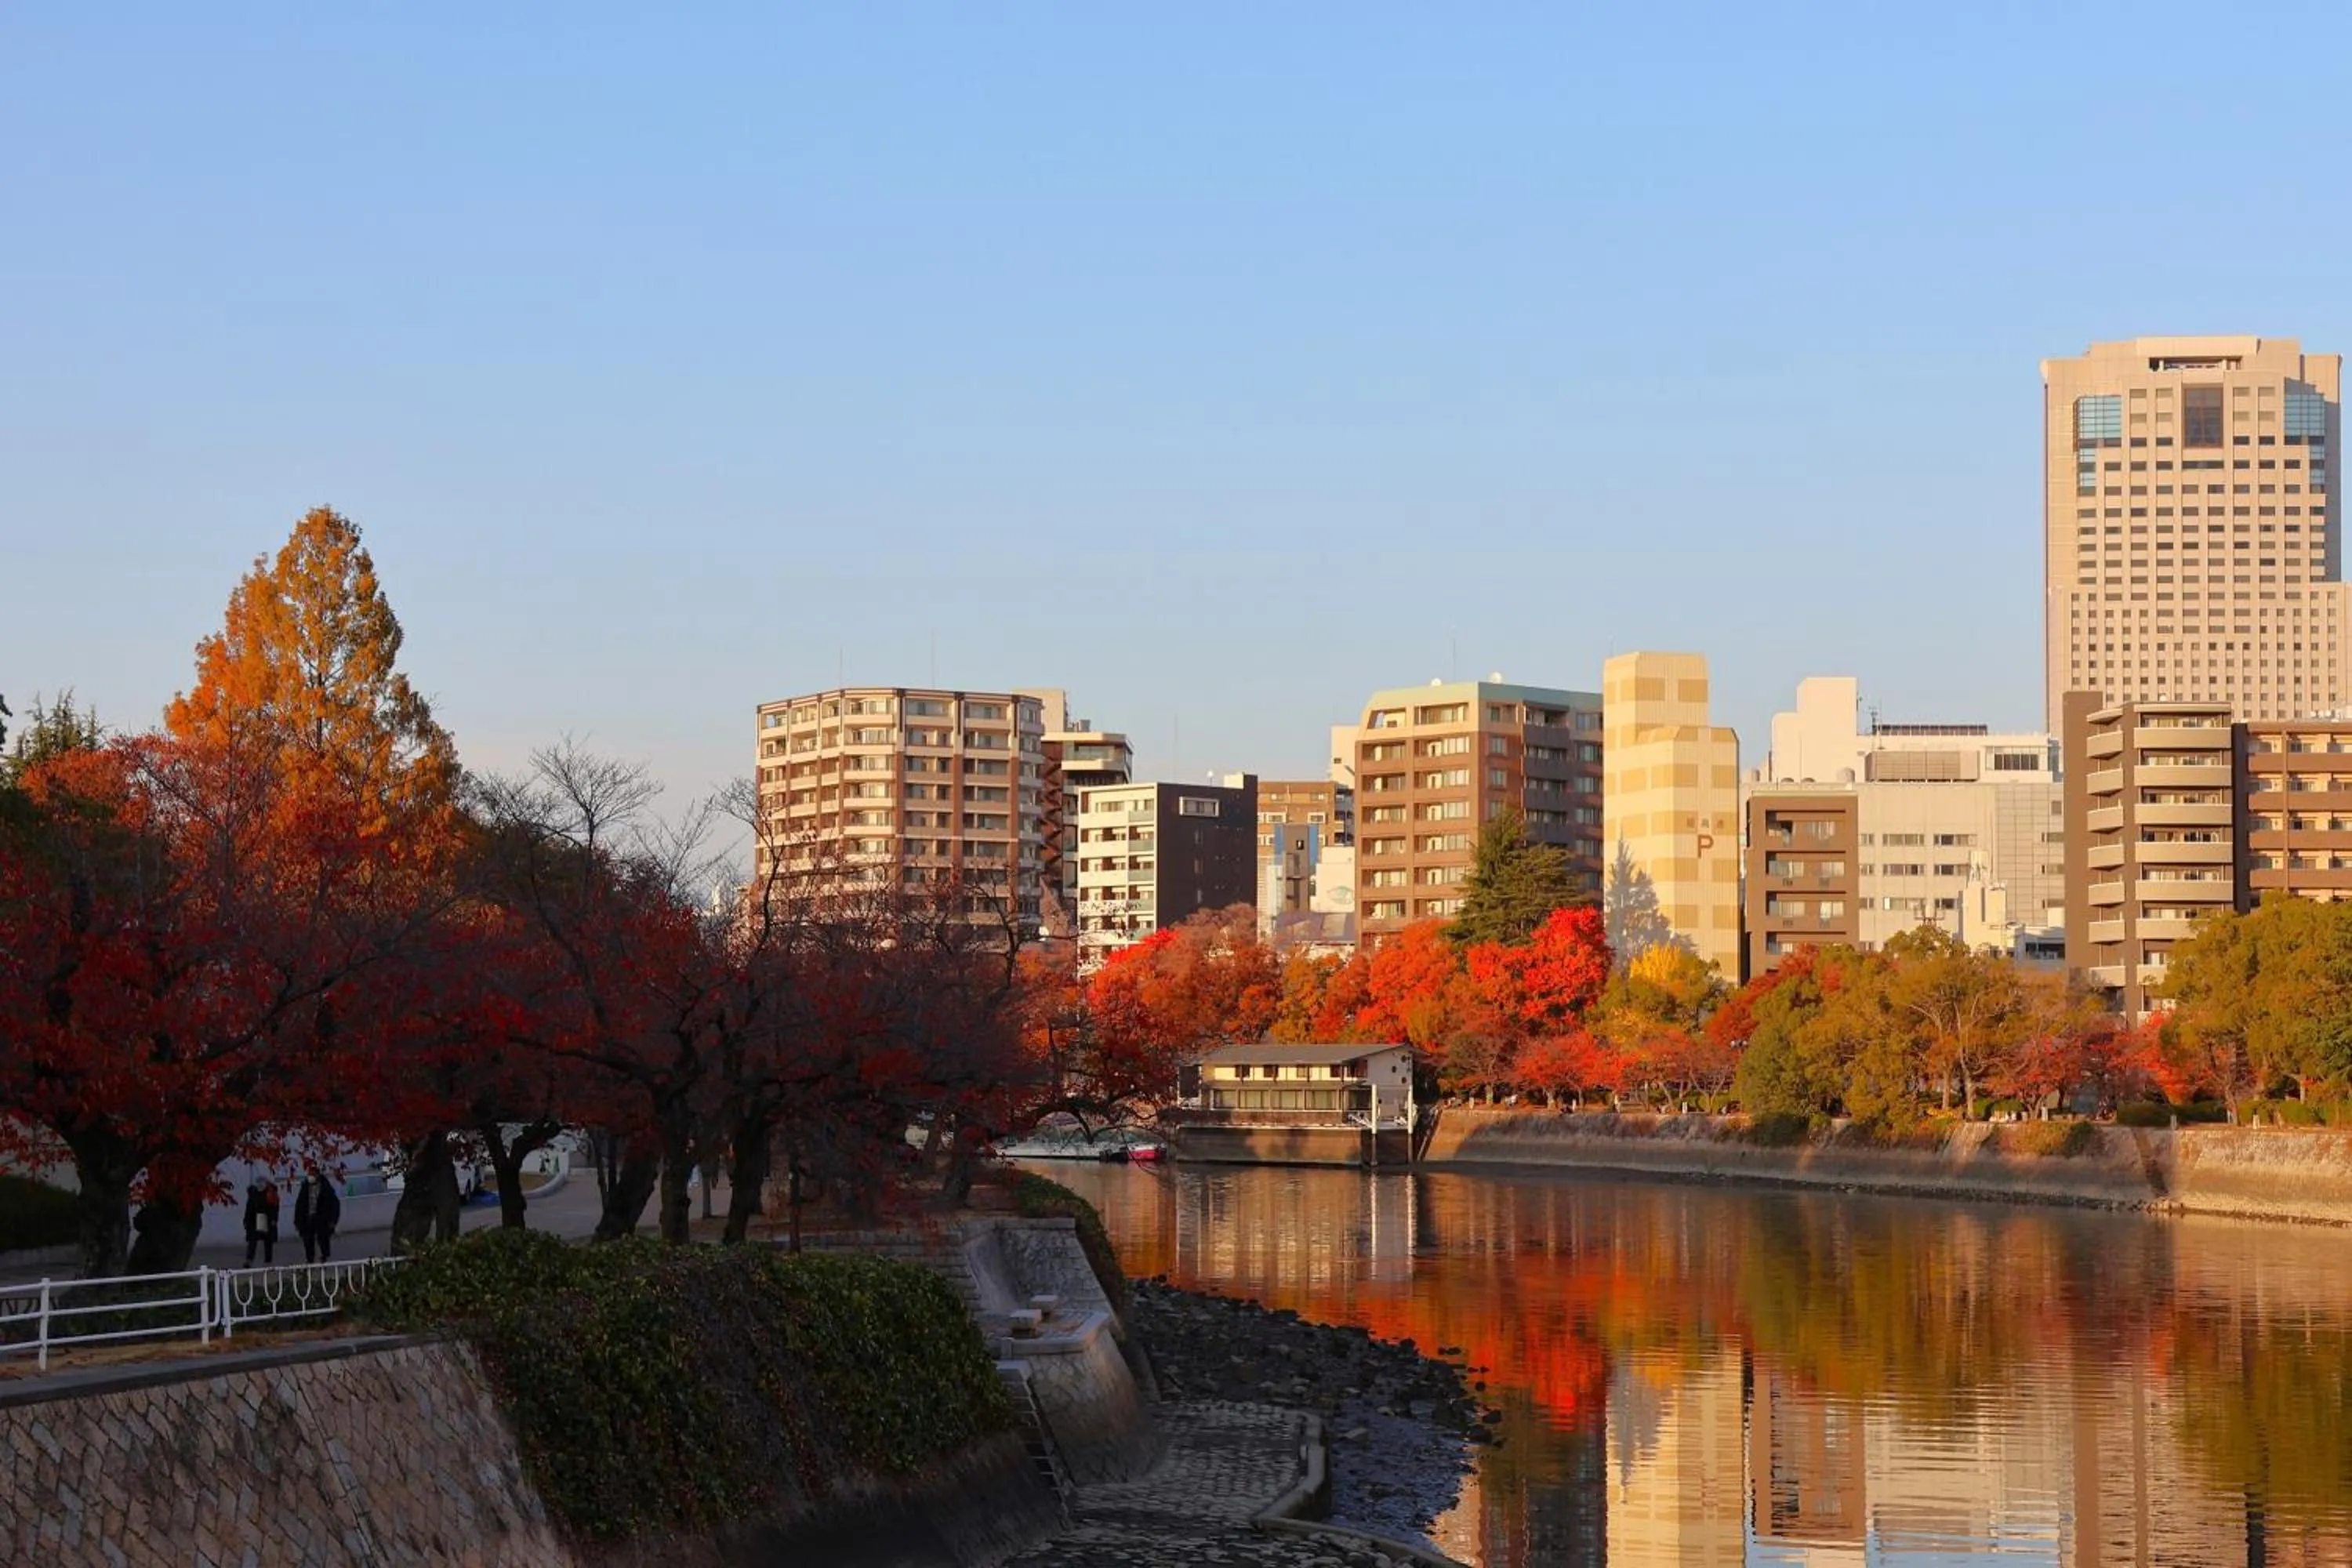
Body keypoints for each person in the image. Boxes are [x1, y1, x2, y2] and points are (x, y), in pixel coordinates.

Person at [293, 1166, 343, 1263]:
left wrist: (333, 1220)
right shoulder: (305, 1187)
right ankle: (310, 1259)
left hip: (322, 1218)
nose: (310, 1176)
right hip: (308, 1217)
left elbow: (334, 1205)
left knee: (323, 1238)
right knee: (307, 1239)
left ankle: (324, 1256)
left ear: (317, 1175)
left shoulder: (325, 1187)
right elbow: (300, 1204)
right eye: (309, 1174)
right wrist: (297, 1221)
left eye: (312, 1174)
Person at [242, 1179, 281, 1267]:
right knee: (252, 1241)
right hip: (254, 1220)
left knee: (268, 1242)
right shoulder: (253, 1194)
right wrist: (246, 1220)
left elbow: (274, 1208)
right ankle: (249, 1260)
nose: (260, 1185)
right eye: (258, 1184)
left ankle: (268, 1261)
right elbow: (249, 1208)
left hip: (266, 1220)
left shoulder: (270, 1193)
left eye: (262, 1184)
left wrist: (274, 1219)